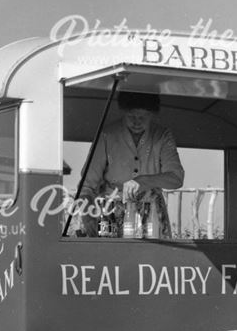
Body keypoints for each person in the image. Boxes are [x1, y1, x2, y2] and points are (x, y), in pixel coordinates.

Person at [79, 92, 184, 237]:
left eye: (142, 117)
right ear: (123, 113)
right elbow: (87, 186)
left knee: (157, 255)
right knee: (110, 255)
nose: (136, 122)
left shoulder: (162, 135)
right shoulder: (107, 135)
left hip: (152, 207)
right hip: (110, 207)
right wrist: (87, 217)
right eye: (131, 116)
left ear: (152, 115)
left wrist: (143, 181)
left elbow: (176, 178)